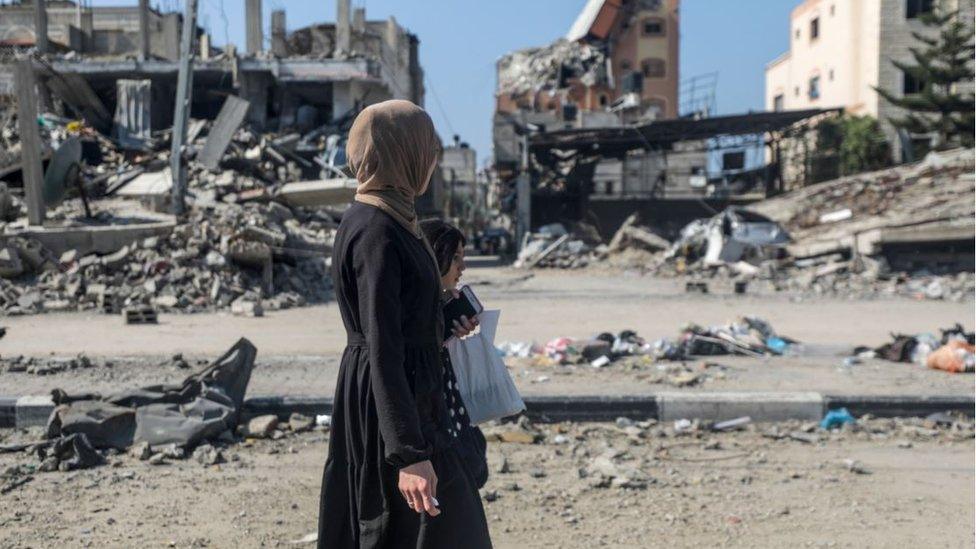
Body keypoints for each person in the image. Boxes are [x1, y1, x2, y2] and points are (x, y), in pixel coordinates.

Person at [317, 100, 493, 549]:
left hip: (413, 397)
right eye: (426, 148)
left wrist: (445, 317)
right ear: (401, 152)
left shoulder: (396, 216)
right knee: (432, 528)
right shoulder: (375, 228)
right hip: (395, 406)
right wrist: (409, 456)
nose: (431, 158)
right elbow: (383, 345)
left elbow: (403, 317)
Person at [420, 219, 490, 488]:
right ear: (435, 256)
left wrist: (449, 335)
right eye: (455, 257)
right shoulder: (415, 310)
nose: (462, 267)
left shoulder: (436, 304)